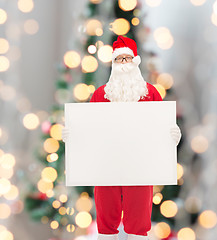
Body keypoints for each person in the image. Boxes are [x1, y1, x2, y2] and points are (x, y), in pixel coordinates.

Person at [62, 36, 182, 240]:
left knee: (139, 218)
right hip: (106, 167)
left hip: (140, 167)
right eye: (119, 59)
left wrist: (172, 136)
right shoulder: (100, 95)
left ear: (135, 61)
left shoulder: (151, 93)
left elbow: (161, 128)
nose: (124, 63)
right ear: (113, 63)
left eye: (127, 59)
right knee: (106, 215)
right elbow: (89, 129)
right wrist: (73, 136)